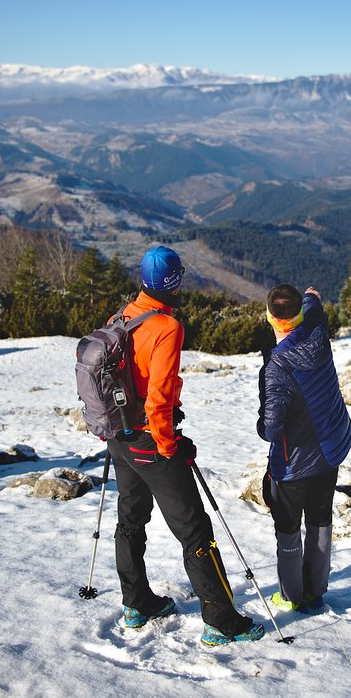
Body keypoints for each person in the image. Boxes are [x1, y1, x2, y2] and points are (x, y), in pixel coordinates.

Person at [106, 245, 265, 646]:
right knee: (195, 530)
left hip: (119, 438)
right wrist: (169, 445)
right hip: (149, 440)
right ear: (173, 282)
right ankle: (220, 621)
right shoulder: (165, 328)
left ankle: (136, 602)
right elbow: (159, 398)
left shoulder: (122, 316)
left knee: (130, 520)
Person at [257, 284, 351, 613]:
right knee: (320, 518)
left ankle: (292, 595)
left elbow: (271, 428)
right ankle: (316, 589)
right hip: (330, 450)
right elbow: (314, 307)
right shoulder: (316, 331)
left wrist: (262, 420)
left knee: (287, 526)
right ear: (298, 314)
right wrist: (312, 296)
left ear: (271, 317)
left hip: (295, 462)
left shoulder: (277, 367)